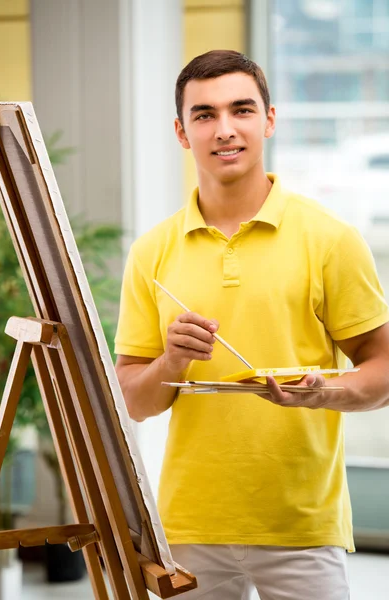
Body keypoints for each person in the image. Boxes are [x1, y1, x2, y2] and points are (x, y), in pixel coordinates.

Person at [114, 50, 389, 600]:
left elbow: (382, 368)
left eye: (241, 110)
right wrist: (171, 362)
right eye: (204, 115)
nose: (225, 130)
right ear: (181, 131)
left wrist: (324, 393)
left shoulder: (330, 239)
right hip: (190, 525)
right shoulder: (152, 253)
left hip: (302, 525)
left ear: (268, 119)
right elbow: (133, 402)